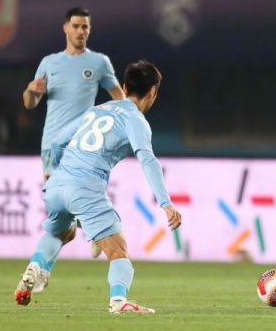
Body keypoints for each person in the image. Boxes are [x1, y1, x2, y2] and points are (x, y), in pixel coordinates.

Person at [14, 60, 181, 314]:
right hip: (84, 188)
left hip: (56, 184)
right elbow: (147, 160)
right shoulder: (135, 120)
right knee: (118, 250)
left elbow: (58, 142)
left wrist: (54, 169)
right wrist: (166, 203)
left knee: (61, 232)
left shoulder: (96, 110)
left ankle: (35, 267)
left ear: (124, 87)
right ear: (152, 91)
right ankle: (118, 301)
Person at [22, 7, 125, 292]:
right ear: (65, 28)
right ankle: (90, 228)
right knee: (62, 221)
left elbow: (119, 99)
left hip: (82, 147)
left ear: (89, 30)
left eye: (85, 27)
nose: (81, 31)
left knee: (62, 220)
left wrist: (118, 124)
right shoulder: (49, 62)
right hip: (52, 148)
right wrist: (31, 90)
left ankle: (42, 268)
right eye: (76, 26)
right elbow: (30, 103)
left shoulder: (99, 62)